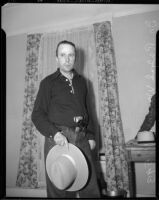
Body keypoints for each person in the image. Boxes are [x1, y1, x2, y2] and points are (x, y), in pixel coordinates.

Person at [31, 40, 100, 198]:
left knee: (90, 188)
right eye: (63, 55)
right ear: (57, 58)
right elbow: (37, 114)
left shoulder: (83, 82)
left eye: (71, 55)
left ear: (75, 58)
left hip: (82, 137)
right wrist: (54, 133)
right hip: (58, 138)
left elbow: (88, 111)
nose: (67, 59)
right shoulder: (47, 83)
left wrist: (90, 136)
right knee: (61, 188)